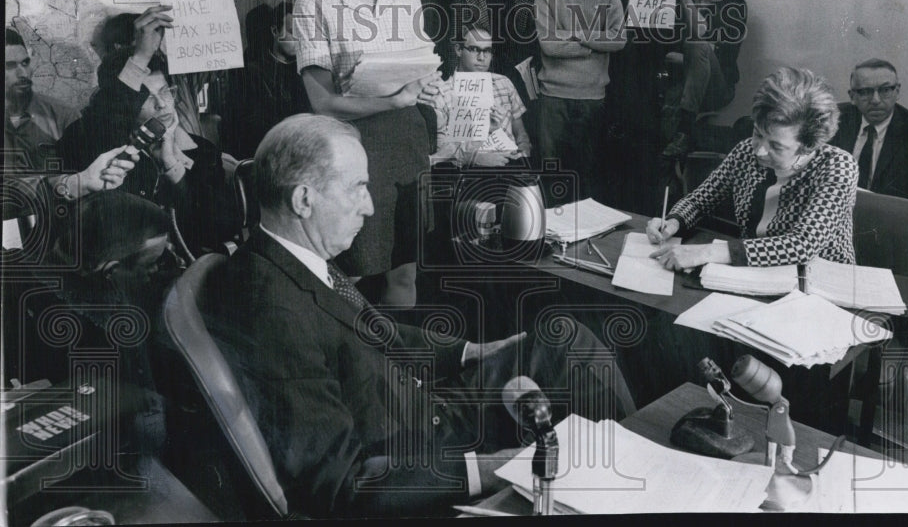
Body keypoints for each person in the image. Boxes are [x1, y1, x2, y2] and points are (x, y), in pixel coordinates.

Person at [200, 114, 636, 518]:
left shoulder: (292, 257)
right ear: (304, 199)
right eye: (358, 187)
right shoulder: (273, 312)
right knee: (575, 356)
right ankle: (632, 486)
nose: (369, 207)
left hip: (420, 408)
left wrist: (468, 351)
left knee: (563, 338)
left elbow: (378, 332)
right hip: (416, 451)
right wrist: (489, 468)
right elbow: (342, 484)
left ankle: (629, 468)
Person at [293, 0, 443, 308]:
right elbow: (321, 103)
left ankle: (399, 365)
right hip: (352, 146)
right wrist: (392, 101)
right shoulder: (312, 5)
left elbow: (420, 65)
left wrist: (426, 85)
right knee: (352, 269)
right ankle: (350, 362)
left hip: (407, 140)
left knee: (404, 267)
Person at [58, 5, 230, 257]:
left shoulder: (202, 152)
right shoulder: (92, 139)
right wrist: (140, 56)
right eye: (146, 98)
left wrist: (174, 168)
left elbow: (216, 230)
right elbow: (108, 110)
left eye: (165, 93)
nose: (162, 105)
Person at [16, 193, 179, 459]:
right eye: (152, 264)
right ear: (110, 272)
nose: (157, 270)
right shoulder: (103, 334)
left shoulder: (52, 265)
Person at [646, 67, 858, 269]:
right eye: (757, 133)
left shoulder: (837, 166)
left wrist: (706, 253)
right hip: (756, 272)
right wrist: (674, 222)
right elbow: (700, 201)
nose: (759, 151)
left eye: (776, 145)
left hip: (822, 283)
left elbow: (803, 244)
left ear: (807, 146)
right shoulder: (746, 151)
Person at [534, 0, 626, 201]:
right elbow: (549, 45)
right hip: (553, 99)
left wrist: (576, 34)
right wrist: (594, 45)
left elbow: (618, 40)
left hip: (592, 98)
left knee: (588, 177)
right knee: (551, 176)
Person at [661, 0, 748, 157]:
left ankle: (685, 129)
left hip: (718, 88)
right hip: (684, 83)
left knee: (697, 45)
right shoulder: (681, 2)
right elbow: (667, 54)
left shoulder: (735, 5)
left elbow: (718, 54)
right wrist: (695, 55)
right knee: (663, 140)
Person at [827, 59, 908, 199]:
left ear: (897, 92)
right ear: (853, 97)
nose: (876, 100)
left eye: (885, 90)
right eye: (865, 91)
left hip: (890, 217)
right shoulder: (832, 118)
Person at [431, 25, 531, 168]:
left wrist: (523, 150)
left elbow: (521, 132)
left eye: (487, 51)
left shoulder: (504, 83)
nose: (482, 57)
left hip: (511, 166)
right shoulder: (442, 94)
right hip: (468, 174)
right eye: (474, 49)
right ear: (459, 50)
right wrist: (474, 158)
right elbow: (441, 154)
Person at [220, 0, 309, 159]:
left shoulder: (306, 70)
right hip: (262, 153)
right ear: (275, 31)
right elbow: (245, 126)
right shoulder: (250, 72)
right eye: (292, 32)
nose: (299, 39)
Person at [4, 28, 80, 170]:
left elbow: (79, 178)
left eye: (25, 63)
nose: (23, 73)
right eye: (10, 66)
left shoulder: (65, 117)